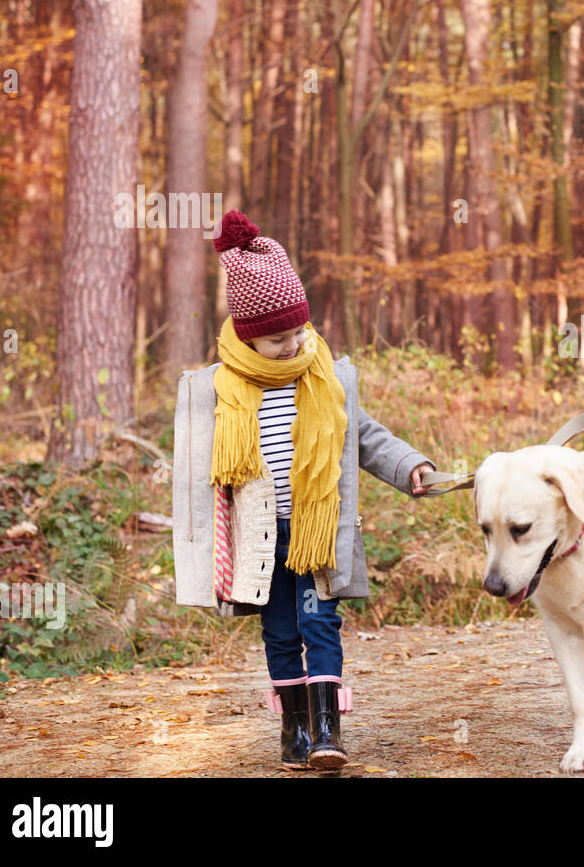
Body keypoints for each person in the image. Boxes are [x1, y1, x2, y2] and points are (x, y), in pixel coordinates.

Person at [172, 210, 436, 771]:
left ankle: (326, 731)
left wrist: (408, 464)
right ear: (247, 335)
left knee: (319, 622)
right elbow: (198, 472)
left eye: (299, 331)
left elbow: (364, 436)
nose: (294, 345)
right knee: (280, 630)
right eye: (278, 339)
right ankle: (293, 728)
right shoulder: (221, 389)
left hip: (316, 531)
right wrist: (199, 551)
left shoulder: (325, 378)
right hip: (259, 537)